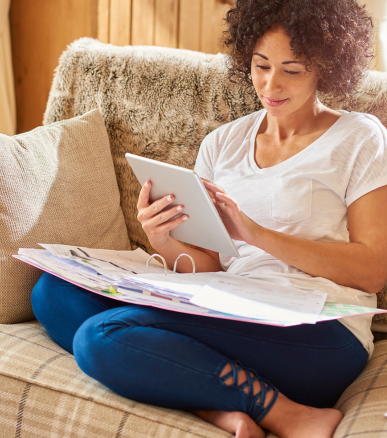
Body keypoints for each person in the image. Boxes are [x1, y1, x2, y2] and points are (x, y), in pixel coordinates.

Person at [31, 1, 387, 437]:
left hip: (317, 331)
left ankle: (287, 413)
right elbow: (212, 265)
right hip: (228, 305)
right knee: (53, 294)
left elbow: (371, 271)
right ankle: (220, 409)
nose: (271, 84)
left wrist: (253, 233)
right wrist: (161, 237)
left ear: (326, 68)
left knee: (99, 337)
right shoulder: (223, 143)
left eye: (292, 70)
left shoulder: (358, 138)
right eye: (261, 66)